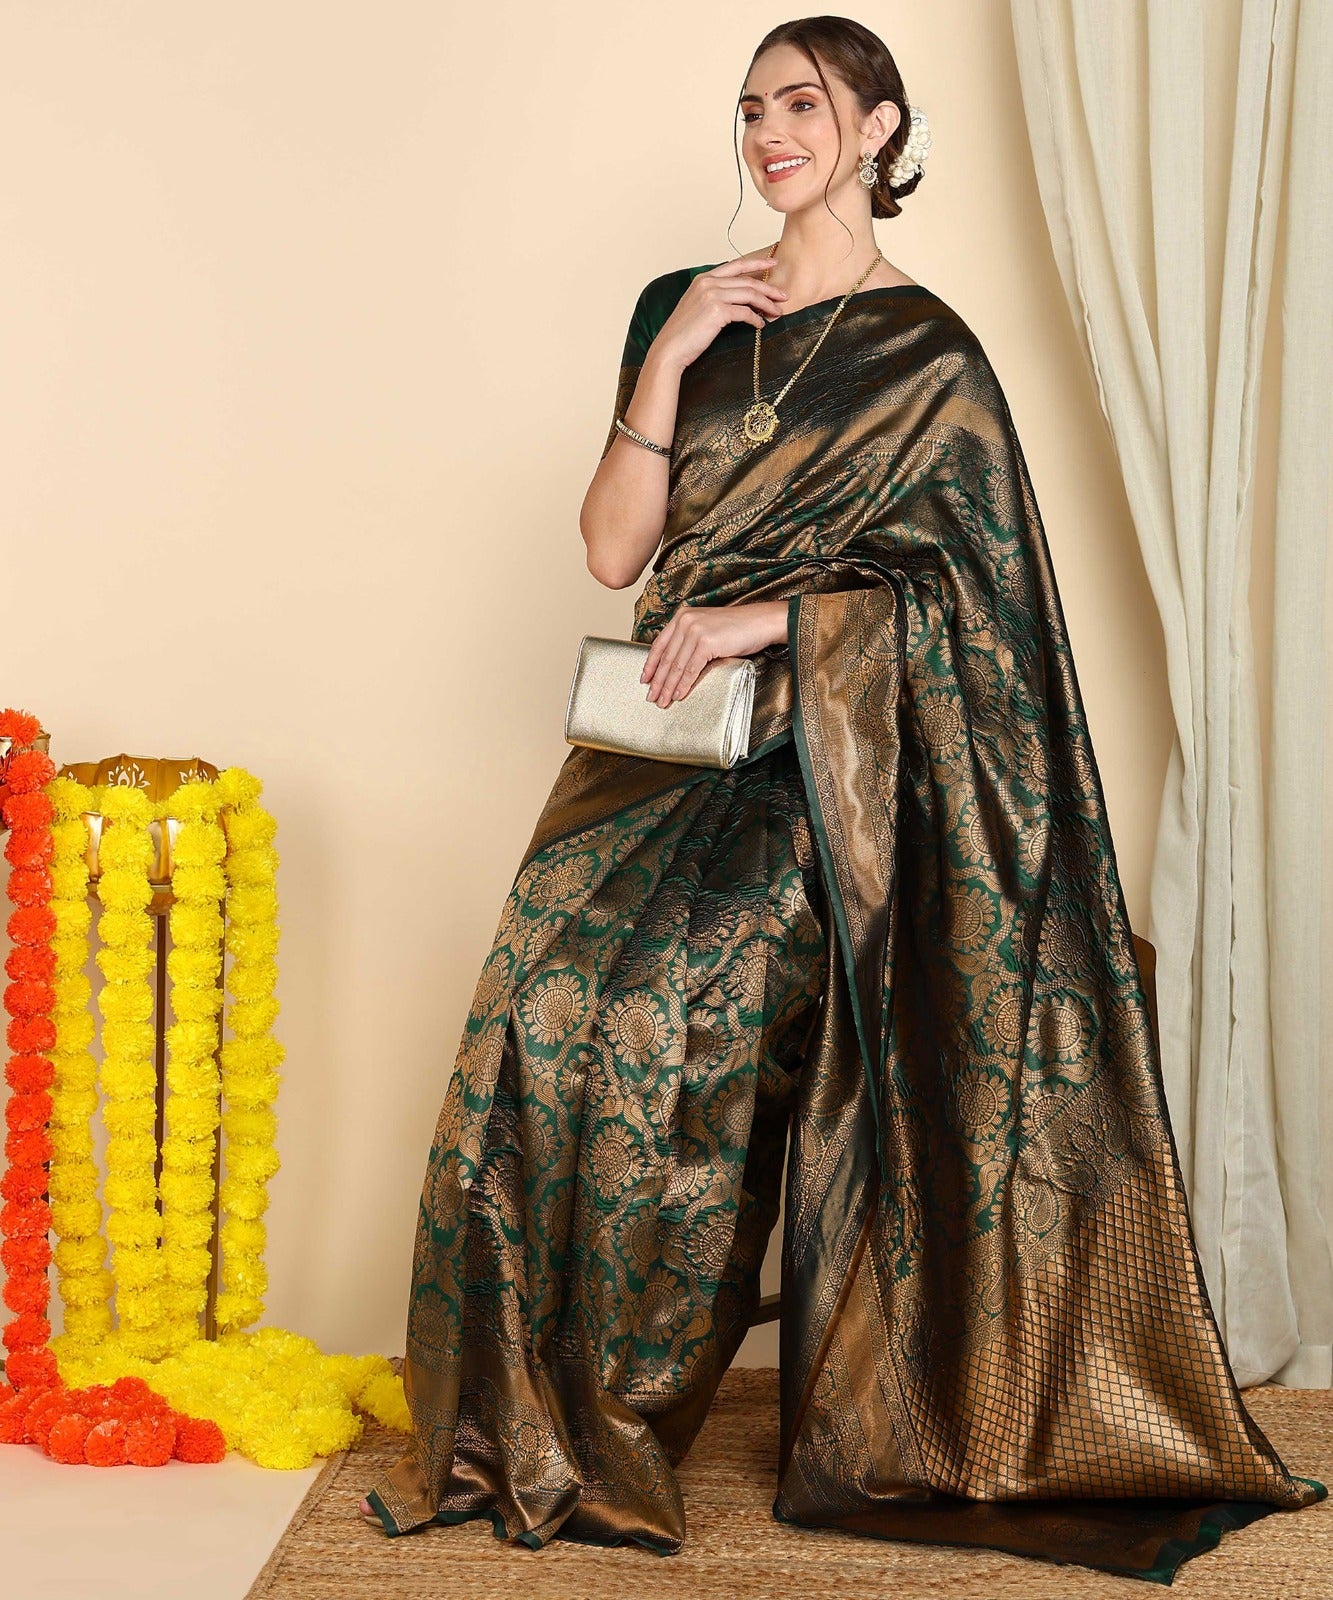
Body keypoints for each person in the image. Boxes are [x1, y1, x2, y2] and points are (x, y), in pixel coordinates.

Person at [359, 16, 1325, 1583]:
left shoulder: (928, 354)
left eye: (802, 105)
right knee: (536, 1015)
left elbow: (985, 608)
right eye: (751, 108)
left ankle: (620, 1415)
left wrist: (771, 619)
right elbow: (611, 552)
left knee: (677, 1010)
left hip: (827, 766)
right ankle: (522, 1414)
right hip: (655, 750)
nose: (768, 133)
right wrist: (669, 355)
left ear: (876, 128)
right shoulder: (682, 307)